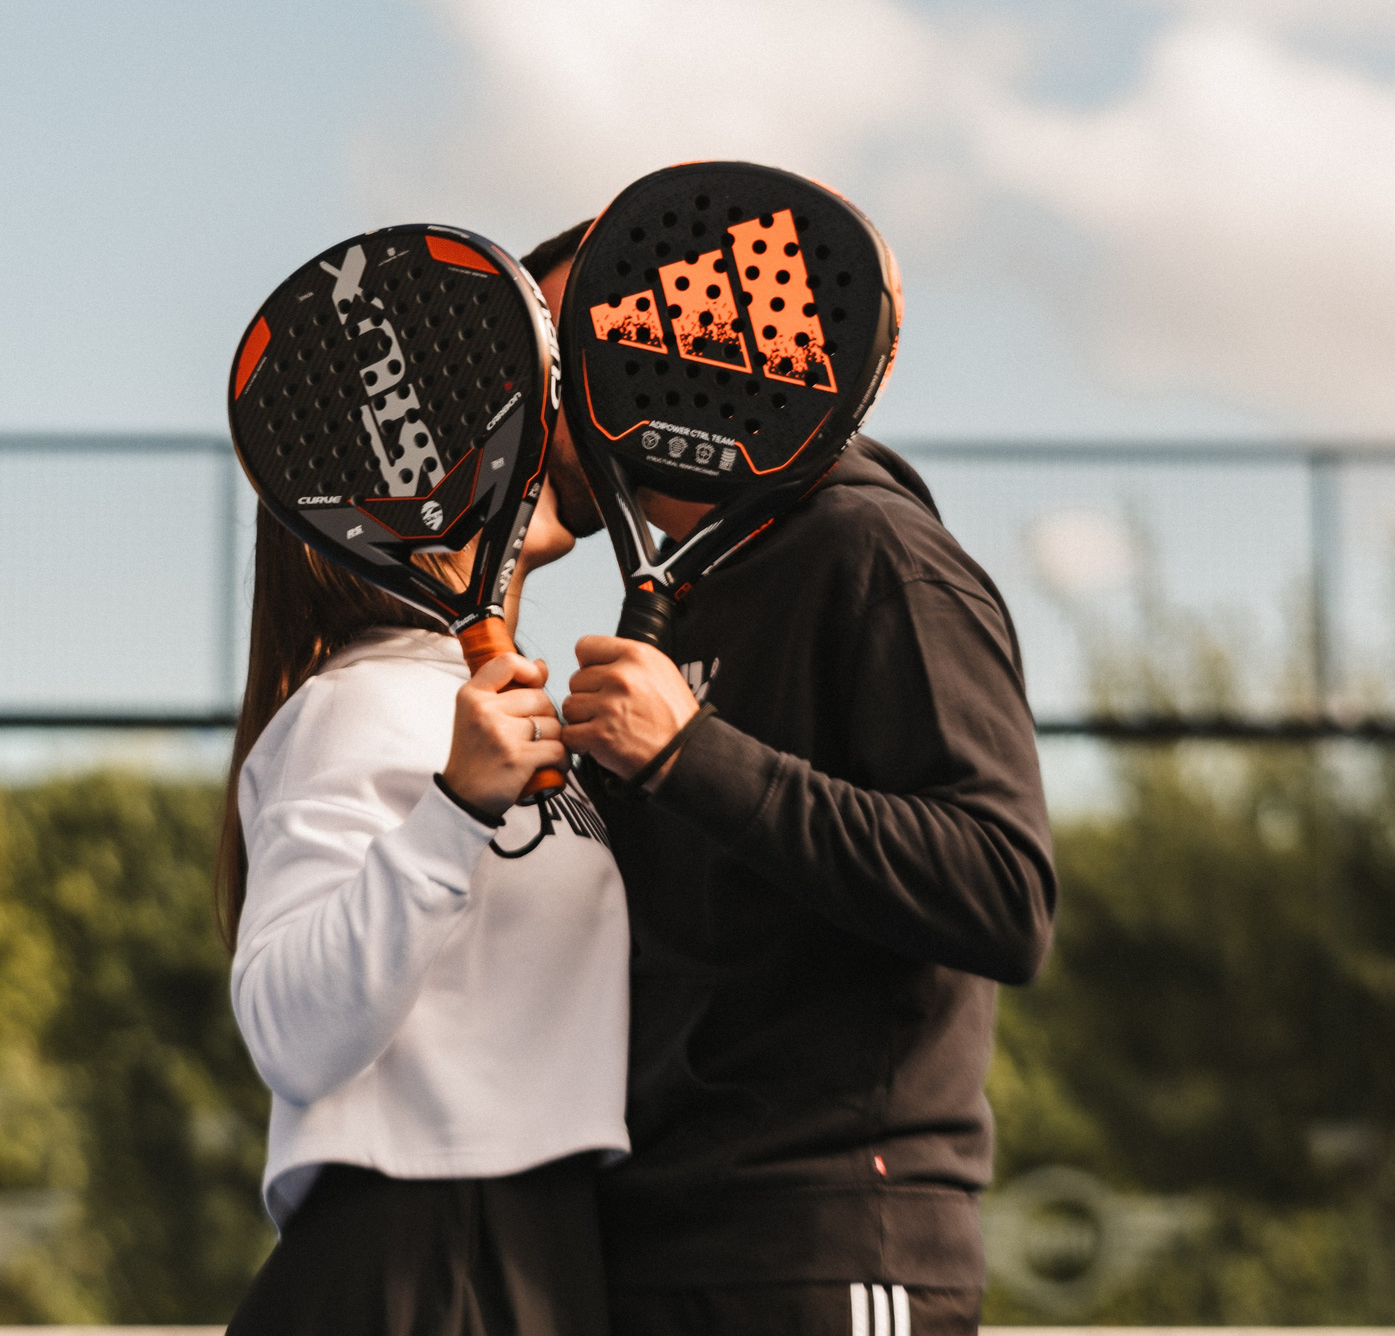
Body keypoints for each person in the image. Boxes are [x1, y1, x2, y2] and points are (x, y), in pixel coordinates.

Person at [523, 220, 1057, 1336]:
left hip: (820, 1248)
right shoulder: (693, 595)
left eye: (567, 361)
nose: (537, 409)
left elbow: (1004, 891)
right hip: (661, 1248)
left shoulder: (878, 554)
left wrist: (691, 752)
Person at [218, 482, 630, 1336]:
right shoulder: (358, 702)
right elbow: (290, 1032)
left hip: (532, 1252)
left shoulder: (472, 698)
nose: (554, 431)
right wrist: (455, 808)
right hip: (425, 1258)